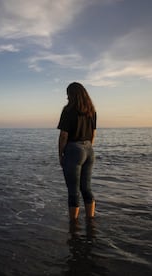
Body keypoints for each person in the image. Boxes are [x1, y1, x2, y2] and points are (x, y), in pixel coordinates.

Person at [57, 82, 97, 222]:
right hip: (89, 150)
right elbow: (93, 134)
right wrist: (87, 147)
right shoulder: (91, 111)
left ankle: (73, 225)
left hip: (74, 150)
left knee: (73, 190)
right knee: (86, 188)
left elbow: (63, 136)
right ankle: (90, 220)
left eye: (68, 94)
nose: (67, 97)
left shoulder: (68, 110)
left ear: (71, 95)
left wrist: (61, 154)